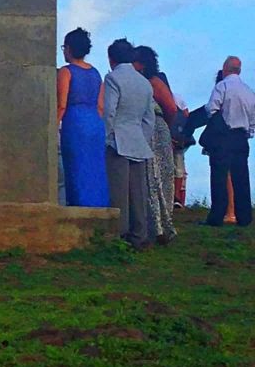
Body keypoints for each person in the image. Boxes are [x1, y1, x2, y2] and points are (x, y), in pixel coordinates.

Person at [184, 56, 255, 227]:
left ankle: (216, 217)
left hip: (224, 136)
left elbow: (211, 109)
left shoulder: (222, 86)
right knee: (241, 178)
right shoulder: (249, 91)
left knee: (219, 177)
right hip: (241, 138)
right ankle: (244, 217)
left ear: (225, 69)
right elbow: (253, 120)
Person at [103, 39, 155, 249]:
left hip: (118, 139)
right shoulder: (144, 82)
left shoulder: (113, 78)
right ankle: (139, 234)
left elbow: (109, 111)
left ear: (111, 58)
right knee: (138, 193)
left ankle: (120, 234)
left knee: (119, 192)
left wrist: (109, 136)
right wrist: (141, 137)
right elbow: (149, 118)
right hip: (138, 140)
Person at [56, 27, 109, 207]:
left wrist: (54, 125)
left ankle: (78, 205)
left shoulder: (66, 72)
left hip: (75, 122)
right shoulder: (95, 73)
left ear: (69, 48)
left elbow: (62, 103)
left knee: (75, 167)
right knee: (94, 168)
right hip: (94, 122)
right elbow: (100, 105)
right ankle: (98, 204)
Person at [133, 46, 177, 244]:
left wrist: (163, 125)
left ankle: (164, 223)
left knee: (161, 177)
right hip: (144, 128)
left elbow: (171, 108)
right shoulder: (138, 84)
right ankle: (154, 224)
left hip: (158, 128)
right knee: (148, 177)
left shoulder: (154, 82)